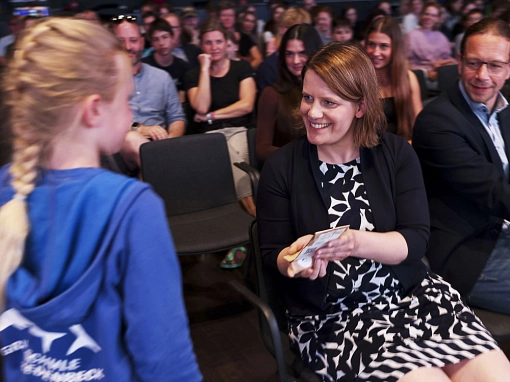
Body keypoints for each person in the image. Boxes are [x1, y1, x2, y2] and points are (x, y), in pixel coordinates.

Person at [257, 41, 510, 382]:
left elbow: (414, 242)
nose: (312, 112)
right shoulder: (281, 167)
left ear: (360, 107)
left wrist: (353, 242)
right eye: (308, 98)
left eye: (329, 102)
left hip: (412, 297)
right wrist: (294, 262)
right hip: (336, 318)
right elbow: (274, 254)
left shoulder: (394, 154)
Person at [0, 17, 201, 381]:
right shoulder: (132, 208)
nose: (130, 115)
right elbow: (165, 359)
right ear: (93, 109)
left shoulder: (6, 188)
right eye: (125, 101)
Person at [412, 18, 510, 315]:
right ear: (459, 62)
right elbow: (494, 192)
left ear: (509, 69)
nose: (482, 75)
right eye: (473, 63)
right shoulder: (437, 122)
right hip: (467, 252)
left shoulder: (505, 111)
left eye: (494, 65)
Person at [184, 18, 256, 266]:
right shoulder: (193, 74)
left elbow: (246, 105)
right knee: (225, 154)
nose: (214, 47)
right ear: (201, 45)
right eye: (208, 42)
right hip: (208, 137)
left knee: (235, 156)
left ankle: (248, 232)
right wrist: (204, 69)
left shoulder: (241, 69)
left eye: (218, 42)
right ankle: (254, 230)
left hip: (240, 130)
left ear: (227, 44)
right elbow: (200, 105)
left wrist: (212, 115)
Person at [112, 15, 186, 141]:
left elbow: (177, 118)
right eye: (121, 41)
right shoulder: (105, 79)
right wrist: (140, 129)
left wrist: (171, 141)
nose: (128, 46)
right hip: (121, 143)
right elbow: (107, 120)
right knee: (131, 139)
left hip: (159, 144)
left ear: (142, 43)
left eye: (133, 40)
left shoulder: (162, 77)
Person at [256, 24, 322, 163]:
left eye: (302, 53)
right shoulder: (272, 94)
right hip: (292, 169)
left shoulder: (329, 89)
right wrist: (302, 157)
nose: (295, 61)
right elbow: (262, 149)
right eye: (289, 54)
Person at [365, 16, 422, 140]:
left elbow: (419, 126)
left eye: (383, 46)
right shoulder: (358, 80)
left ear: (395, 48)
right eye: (372, 44)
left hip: (403, 149)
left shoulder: (409, 79)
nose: (375, 52)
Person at [256, 7, 312, 92]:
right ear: (280, 29)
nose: (293, 32)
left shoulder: (316, 60)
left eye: (298, 27)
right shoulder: (268, 66)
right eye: (287, 26)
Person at [406, 2, 457, 85]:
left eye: (433, 15)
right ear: (421, 15)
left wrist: (440, 64)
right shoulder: (412, 35)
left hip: (440, 71)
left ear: (437, 19)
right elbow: (406, 61)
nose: (429, 17)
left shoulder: (441, 36)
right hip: (420, 74)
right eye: (427, 14)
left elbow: (447, 57)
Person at [142, 18, 191, 102]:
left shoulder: (183, 67)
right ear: (152, 43)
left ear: (172, 38)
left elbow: (182, 100)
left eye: (165, 37)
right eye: (156, 39)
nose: (161, 43)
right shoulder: (144, 66)